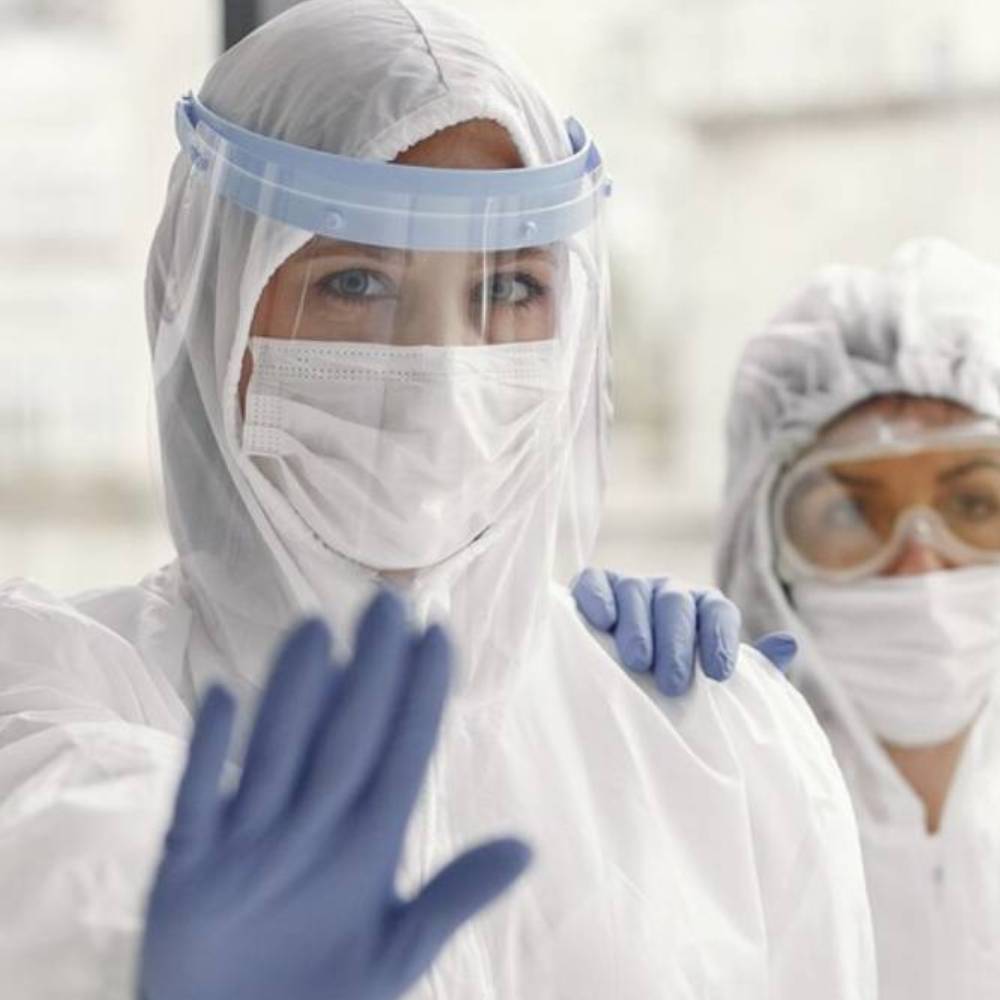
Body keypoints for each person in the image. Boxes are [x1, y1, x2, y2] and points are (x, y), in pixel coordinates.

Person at [0, 1, 875, 996]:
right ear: (211, 303)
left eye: (506, 290)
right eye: (354, 282)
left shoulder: (715, 738)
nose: (441, 367)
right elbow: (61, 865)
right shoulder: (59, 688)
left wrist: (717, 717)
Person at [577, 238, 1000, 999]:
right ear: (763, 550)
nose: (919, 565)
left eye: (973, 503)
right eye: (849, 512)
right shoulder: (703, 821)